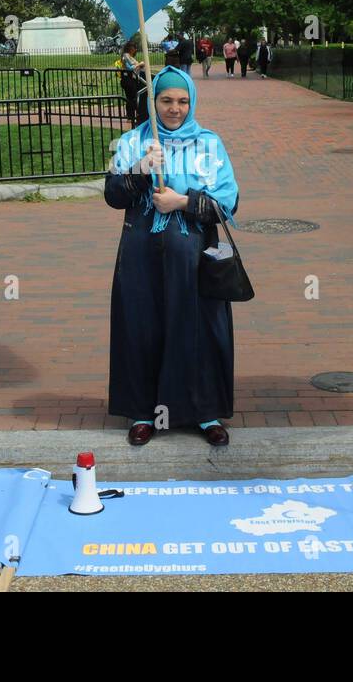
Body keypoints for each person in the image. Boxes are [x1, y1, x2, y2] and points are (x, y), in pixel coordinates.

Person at [104, 66, 240, 448]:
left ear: (192, 102)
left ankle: (204, 412)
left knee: (196, 328)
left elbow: (228, 203)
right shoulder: (132, 142)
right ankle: (144, 412)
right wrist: (143, 170)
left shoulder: (209, 144)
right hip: (141, 255)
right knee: (142, 326)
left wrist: (182, 201)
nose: (174, 109)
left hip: (196, 256)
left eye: (182, 101)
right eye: (166, 100)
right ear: (153, 102)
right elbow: (113, 195)